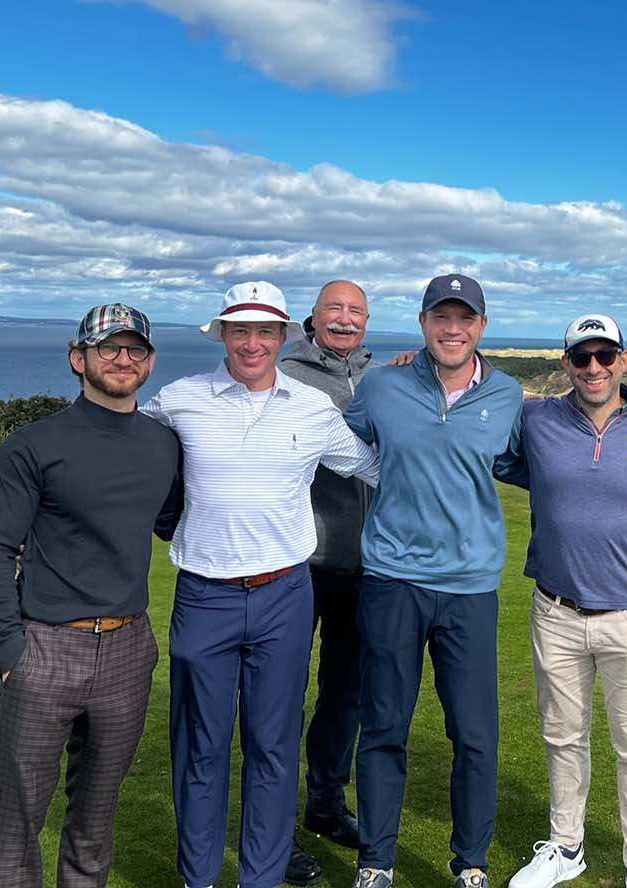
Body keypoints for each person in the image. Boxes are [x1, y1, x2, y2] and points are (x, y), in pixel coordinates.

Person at [141, 281, 380, 888]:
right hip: (204, 594)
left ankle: (262, 877)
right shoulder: (179, 399)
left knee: (273, 748)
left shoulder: (312, 406)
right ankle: (198, 878)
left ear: (283, 336)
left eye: (265, 331)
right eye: (240, 330)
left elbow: (374, 466)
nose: (252, 343)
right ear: (223, 333)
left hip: (285, 596)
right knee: (201, 747)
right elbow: (123, 453)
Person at [0, 303, 182, 888]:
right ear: (77, 358)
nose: (122, 358)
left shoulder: (163, 445)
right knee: (17, 821)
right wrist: (10, 652)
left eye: (134, 348)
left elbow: (170, 521)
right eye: (108, 347)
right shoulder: (32, 445)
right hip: (43, 648)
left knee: (95, 819)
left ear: (149, 362)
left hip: (127, 649)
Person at [342, 273, 523, 888]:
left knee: (474, 735)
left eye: (464, 319)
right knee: (385, 725)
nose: (453, 329)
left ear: (481, 327)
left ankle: (470, 863)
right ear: (423, 323)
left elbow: (521, 462)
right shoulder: (382, 385)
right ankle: (376, 861)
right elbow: (344, 443)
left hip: (470, 588)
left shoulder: (508, 395)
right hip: (392, 581)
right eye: (441, 318)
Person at [504, 315, 627, 888]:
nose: (594, 368)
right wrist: (411, 363)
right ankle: (566, 847)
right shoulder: (536, 420)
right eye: (582, 357)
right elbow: (474, 401)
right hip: (556, 611)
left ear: (625, 360)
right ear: (565, 364)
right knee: (562, 735)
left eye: (605, 356)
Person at [277, 280, 377, 882]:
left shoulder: (383, 375)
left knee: (347, 696)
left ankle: (325, 806)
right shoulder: (282, 372)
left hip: (368, 565)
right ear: (311, 318)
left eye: (355, 311)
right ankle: (273, 826)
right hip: (298, 563)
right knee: (281, 700)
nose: (344, 319)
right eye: (334, 309)